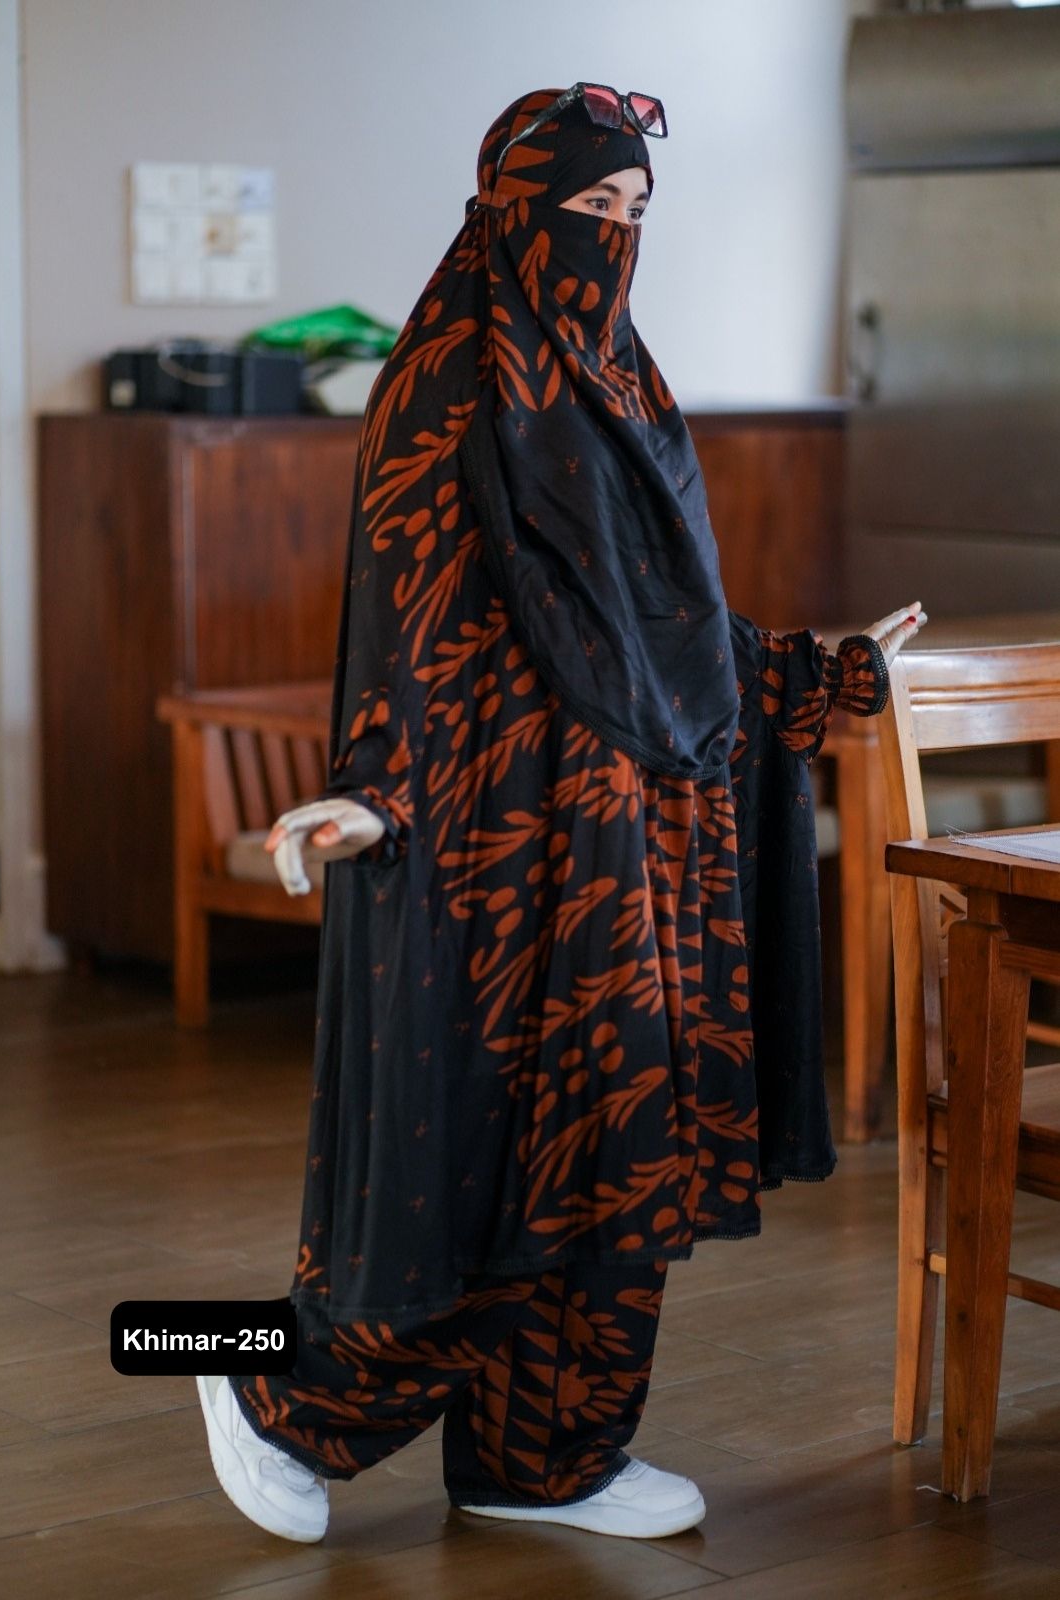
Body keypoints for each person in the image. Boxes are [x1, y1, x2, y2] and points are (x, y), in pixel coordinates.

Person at [195, 83, 927, 1546]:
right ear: (511, 211)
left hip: (645, 837)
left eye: (636, 211)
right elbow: (409, 621)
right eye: (592, 207)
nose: (616, 234)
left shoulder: (623, 381)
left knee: (619, 1144)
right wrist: (373, 792)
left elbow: (667, 620)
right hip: (499, 837)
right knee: (489, 1159)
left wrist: (811, 673)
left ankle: (547, 1457)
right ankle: (264, 1384)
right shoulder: (444, 382)